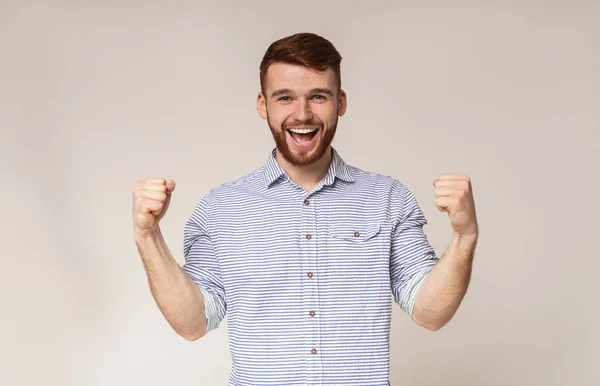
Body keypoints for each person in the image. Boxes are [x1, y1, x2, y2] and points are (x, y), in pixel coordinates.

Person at [132, 32, 478, 386]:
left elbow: (430, 312)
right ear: (262, 104)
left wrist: (464, 236)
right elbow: (193, 324)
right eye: (285, 97)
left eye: (318, 96)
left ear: (340, 102)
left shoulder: (387, 198)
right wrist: (148, 237)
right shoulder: (221, 208)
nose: (302, 114)